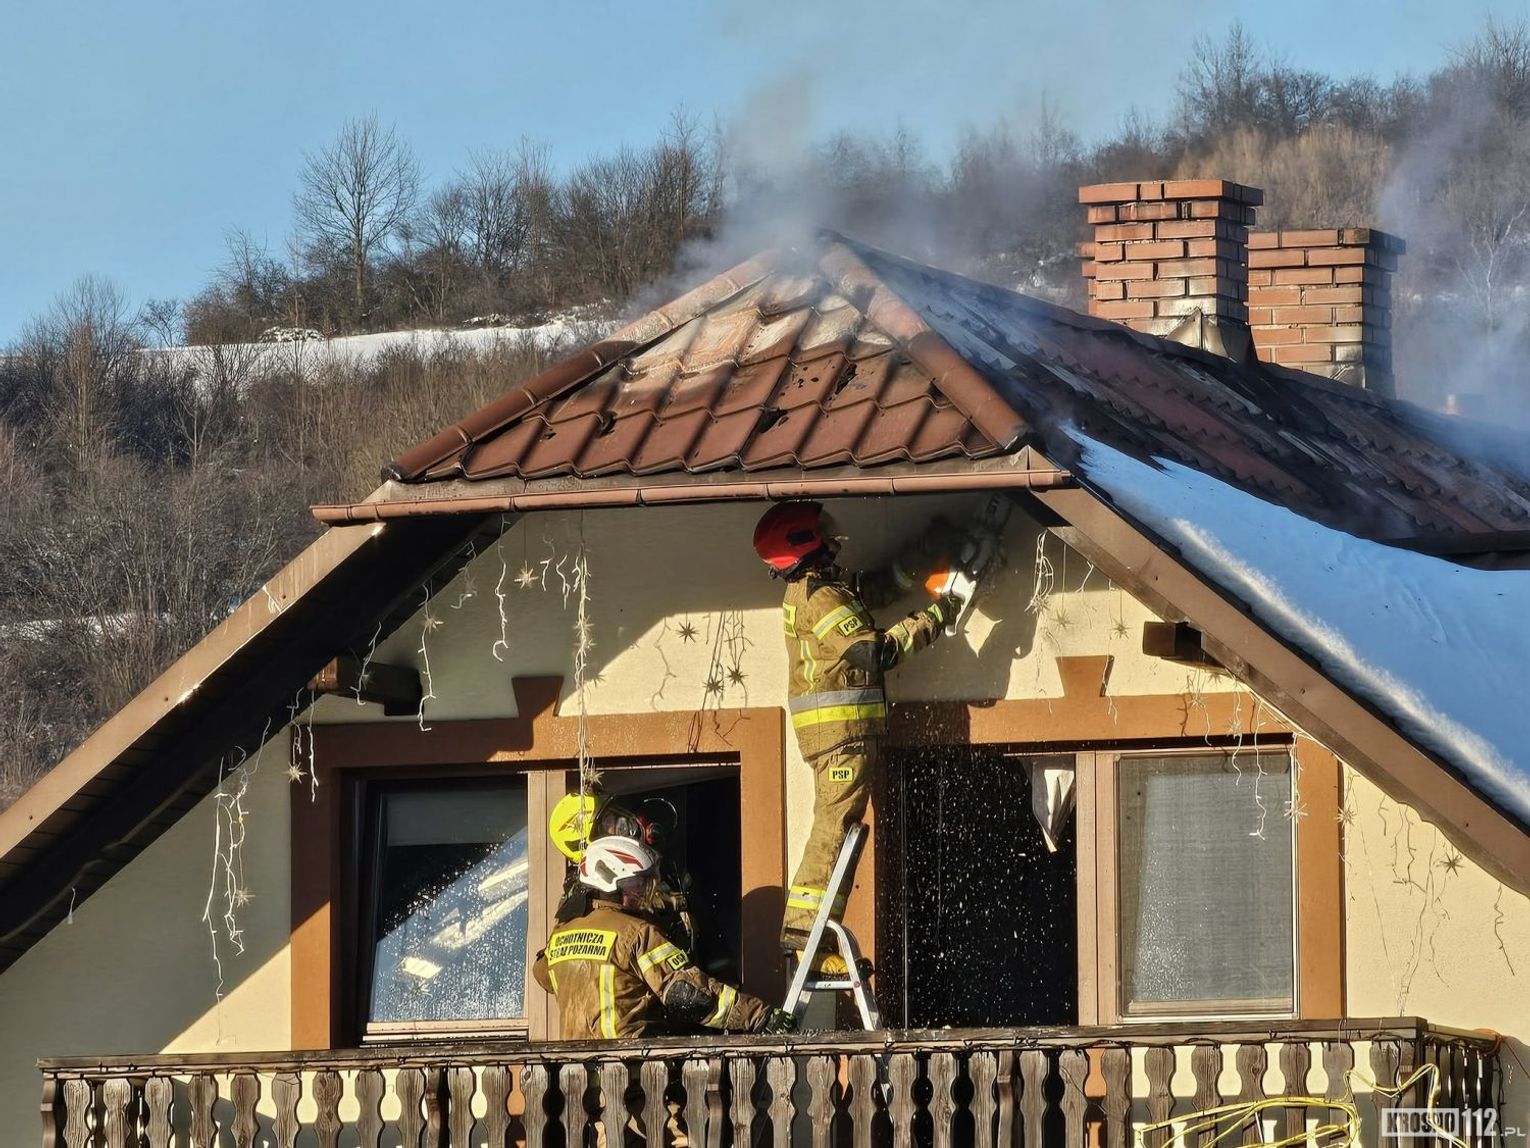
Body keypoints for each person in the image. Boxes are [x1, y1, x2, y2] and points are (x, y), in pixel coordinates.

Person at [752, 500, 972, 973]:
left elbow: (874, 589)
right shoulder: (819, 597)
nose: (833, 534)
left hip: (839, 734)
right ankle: (805, 938)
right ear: (803, 541)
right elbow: (874, 653)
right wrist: (941, 614)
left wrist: (923, 552)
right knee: (834, 829)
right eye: (822, 529)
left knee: (841, 829)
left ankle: (810, 935)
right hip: (842, 735)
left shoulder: (823, 589)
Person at [532, 836, 795, 1038]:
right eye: (636, 884)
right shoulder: (636, 933)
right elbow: (688, 994)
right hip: (629, 1074)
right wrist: (761, 1016)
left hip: (574, 1079)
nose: (644, 891)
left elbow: (543, 974)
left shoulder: (560, 936)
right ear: (609, 882)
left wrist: (566, 911)